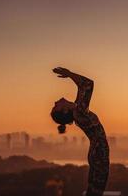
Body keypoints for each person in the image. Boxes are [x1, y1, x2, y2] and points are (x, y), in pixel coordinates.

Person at [51, 67, 110, 196]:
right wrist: (69, 74)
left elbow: (84, 87)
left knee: (94, 191)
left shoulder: (78, 110)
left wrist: (70, 75)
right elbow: (88, 85)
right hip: (98, 154)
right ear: (65, 111)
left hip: (97, 154)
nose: (55, 102)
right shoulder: (79, 112)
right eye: (56, 106)